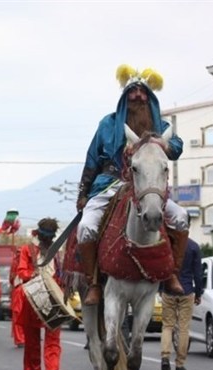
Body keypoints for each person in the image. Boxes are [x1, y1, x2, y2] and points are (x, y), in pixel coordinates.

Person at [76, 65, 188, 306]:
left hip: (147, 189)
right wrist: (83, 193)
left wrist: (163, 145)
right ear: (124, 97)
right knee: (86, 227)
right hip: (110, 185)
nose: (137, 96)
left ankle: (171, 275)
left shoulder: (161, 125)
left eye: (142, 92)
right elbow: (92, 159)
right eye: (132, 92)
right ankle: (94, 283)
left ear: (150, 97)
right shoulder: (108, 123)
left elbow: (177, 147)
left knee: (181, 216)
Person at [14, 218, 64, 370]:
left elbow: (60, 273)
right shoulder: (27, 250)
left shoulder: (56, 250)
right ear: (39, 234)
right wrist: (31, 275)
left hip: (52, 298)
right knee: (32, 338)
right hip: (33, 296)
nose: (48, 240)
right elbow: (21, 271)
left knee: (53, 334)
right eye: (46, 237)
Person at [160, 228, 203, 370]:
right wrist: (198, 293)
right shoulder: (193, 247)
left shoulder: (168, 246)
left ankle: (165, 357)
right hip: (186, 291)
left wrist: (161, 288)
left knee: (167, 326)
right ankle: (180, 363)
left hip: (169, 290)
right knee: (184, 328)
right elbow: (198, 274)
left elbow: (162, 269)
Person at [9, 248, 25, 347]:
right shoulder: (29, 259)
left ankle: (20, 339)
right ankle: (21, 338)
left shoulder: (15, 261)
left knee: (17, 315)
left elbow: (11, 279)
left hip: (19, 289)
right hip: (25, 289)